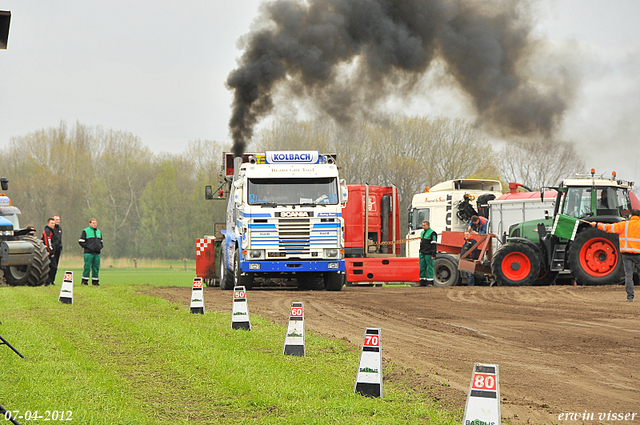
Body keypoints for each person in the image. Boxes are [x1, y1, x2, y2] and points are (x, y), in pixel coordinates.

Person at [590, 208, 640, 302]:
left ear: (631, 215)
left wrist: (596, 224)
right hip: (638, 254)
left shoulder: (624, 225)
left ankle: (630, 297)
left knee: (628, 276)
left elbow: (608, 227)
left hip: (626, 254)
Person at [78, 218, 103, 286]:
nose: (95, 224)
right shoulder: (85, 231)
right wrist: (89, 247)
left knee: (96, 267)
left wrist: (100, 247)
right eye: (93, 223)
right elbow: (81, 242)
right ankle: (84, 281)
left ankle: (95, 281)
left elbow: (101, 242)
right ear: (90, 223)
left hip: (97, 253)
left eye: (96, 223)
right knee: (87, 267)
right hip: (88, 253)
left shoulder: (99, 232)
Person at [418, 220, 437, 286]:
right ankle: (422, 281)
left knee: (429, 268)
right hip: (422, 253)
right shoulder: (422, 233)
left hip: (429, 253)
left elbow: (434, 244)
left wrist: (433, 254)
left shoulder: (432, 233)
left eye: (424, 225)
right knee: (422, 267)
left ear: (428, 225)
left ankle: (430, 282)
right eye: (422, 225)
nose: (423, 226)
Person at [41, 218, 57, 286]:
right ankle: (47, 281)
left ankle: (50, 281)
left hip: (50, 252)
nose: (53, 225)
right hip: (48, 253)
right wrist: (51, 252)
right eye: (52, 223)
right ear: (48, 224)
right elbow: (48, 243)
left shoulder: (52, 231)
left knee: (52, 267)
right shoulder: (47, 231)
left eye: (54, 223)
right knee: (52, 267)